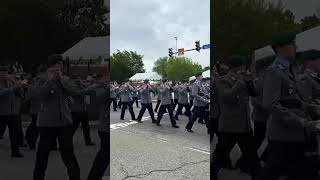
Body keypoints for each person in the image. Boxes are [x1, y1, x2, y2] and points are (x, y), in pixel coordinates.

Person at [256, 32, 320, 180]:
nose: (295, 47)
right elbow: (270, 104)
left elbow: (293, 100)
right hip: (283, 136)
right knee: (272, 174)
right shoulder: (274, 71)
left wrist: (310, 108)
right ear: (280, 48)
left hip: (295, 135)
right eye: (292, 44)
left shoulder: (289, 70)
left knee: (302, 173)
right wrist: (301, 122)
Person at [30, 63, 91, 180]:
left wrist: (62, 80)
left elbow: (75, 92)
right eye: (53, 70)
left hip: (64, 122)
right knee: (42, 155)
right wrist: (51, 81)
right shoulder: (40, 80)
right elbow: (39, 95)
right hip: (46, 123)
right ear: (47, 71)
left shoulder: (65, 80)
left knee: (68, 154)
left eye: (58, 69)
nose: (56, 72)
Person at [87, 75, 109, 180]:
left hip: (108, 125)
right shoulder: (104, 89)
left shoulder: (107, 87)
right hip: (105, 126)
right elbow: (99, 99)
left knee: (105, 154)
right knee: (104, 154)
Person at [0, 66, 24, 158]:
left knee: (15, 133)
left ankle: (15, 151)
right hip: (2, 112)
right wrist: (11, 89)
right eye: (2, 73)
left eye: (6, 73)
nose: (4, 75)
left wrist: (18, 87)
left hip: (13, 112)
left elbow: (20, 93)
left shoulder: (11, 81)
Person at [71, 76, 95, 146]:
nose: (79, 79)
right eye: (77, 78)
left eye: (79, 78)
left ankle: (88, 141)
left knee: (86, 127)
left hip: (83, 109)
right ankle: (67, 141)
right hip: (76, 110)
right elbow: (80, 92)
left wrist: (90, 84)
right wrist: (90, 87)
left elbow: (88, 91)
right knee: (73, 127)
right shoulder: (73, 87)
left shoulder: (81, 85)